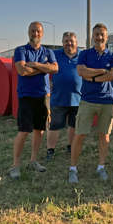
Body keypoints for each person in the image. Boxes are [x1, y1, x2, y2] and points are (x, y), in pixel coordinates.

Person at [68, 23, 113, 183]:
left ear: (107, 36)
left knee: (104, 135)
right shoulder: (84, 54)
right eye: (96, 34)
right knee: (79, 135)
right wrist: (101, 71)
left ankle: (101, 167)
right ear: (92, 37)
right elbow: (81, 71)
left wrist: (91, 76)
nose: (99, 37)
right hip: (87, 100)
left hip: (107, 100)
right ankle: (73, 169)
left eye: (102, 34)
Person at [8, 22, 58, 179]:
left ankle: (33, 161)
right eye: (32, 31)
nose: (35, 33)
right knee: (23, 131)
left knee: (39, 130)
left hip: (43, 96)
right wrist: (44, 68)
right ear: (28, 32)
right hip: (26, 96)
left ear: (42, 34)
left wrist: (36, 65)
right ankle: (15, 165)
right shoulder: (21, 50)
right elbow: (22, 70)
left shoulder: (48, 51)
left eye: (38, 31)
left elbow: (55, 69)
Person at [45, 32, 82, 161]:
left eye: (71, 41)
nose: (69, 43)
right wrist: (47, 81)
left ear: (76, 42)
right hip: (58, 97)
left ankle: (70, 147)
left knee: (74, 125)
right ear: (62, 42)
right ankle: (50, 150)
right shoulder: (54, 54)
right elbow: (43, 68)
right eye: (66, 41)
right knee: (54, 125)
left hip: (78, 99)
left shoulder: (83, 56)